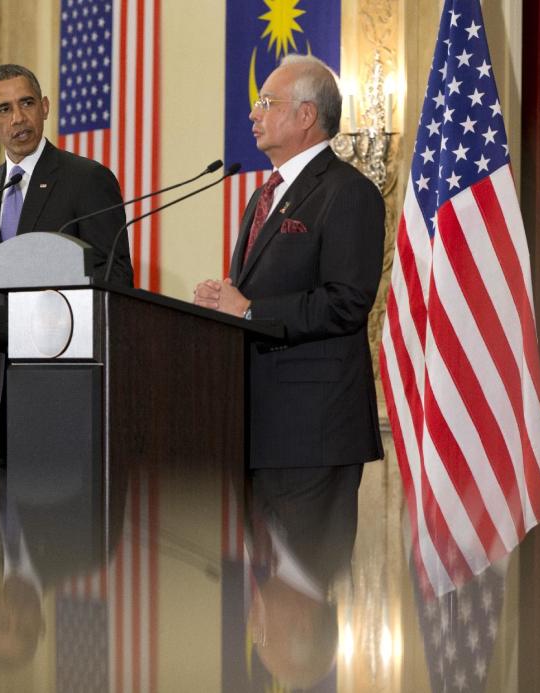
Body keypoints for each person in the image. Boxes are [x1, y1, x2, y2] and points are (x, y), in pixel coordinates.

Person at [194, 54, 385, 583]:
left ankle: (308, 665)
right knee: (271, 588)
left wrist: (251, 308)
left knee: (304, 589)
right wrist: (228, 301)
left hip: (314, 431)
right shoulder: (265, 193)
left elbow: (347, 302)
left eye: (265, 102)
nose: (253, 114)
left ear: (306, 116)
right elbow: (264, 295)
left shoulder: (349, 193)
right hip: (259, 427)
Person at [0, 64, 133, 323]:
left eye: (27, 103)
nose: (18, 118)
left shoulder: (87, 178)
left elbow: (116, 275)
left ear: (44, 107)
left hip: (65, 349)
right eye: (4, 109)